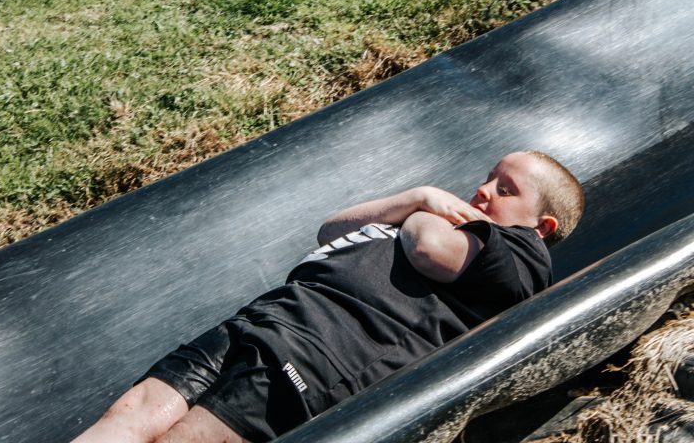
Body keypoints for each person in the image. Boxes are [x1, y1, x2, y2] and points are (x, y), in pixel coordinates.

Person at [73, 150, 584, 443]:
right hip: (267, 320)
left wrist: (424, 212)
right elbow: (332, 230)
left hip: (321, 356)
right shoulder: (446, 219)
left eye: (506, 189)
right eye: (489, 177)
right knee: (133, 412)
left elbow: (431, 250)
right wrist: (417, 196)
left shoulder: (520, 255)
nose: (483, 190)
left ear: (542, 225)